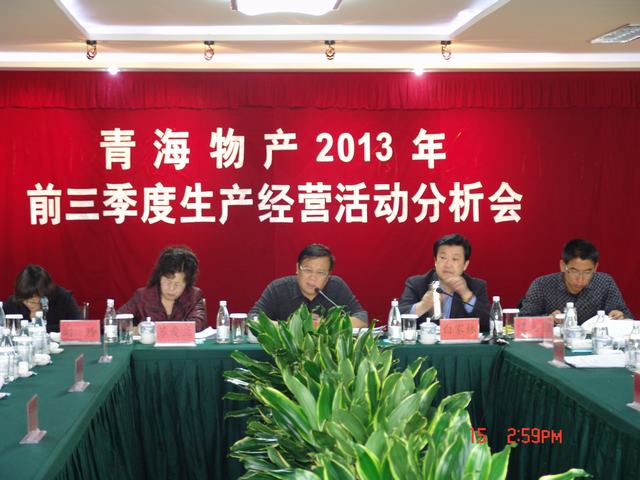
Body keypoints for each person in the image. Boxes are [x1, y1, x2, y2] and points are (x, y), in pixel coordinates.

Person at [249, 243, 368, 327]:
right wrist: (293, 325)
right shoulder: (278, 288)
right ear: (297, 268)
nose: (313, 277)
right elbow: (252, 319)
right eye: (307, 270)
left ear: (328, 275)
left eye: (321, 273)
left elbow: (362, 319)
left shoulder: (336, 286)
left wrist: (323, 324)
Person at [519, 239, 632, 323]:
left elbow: (627, 317)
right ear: (563, 266)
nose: (580, 279)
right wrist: (547, 320)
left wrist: (620, 316)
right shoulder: (542, 285)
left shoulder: (605, 283)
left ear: (595, 268)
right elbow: (521, 321)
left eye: (587, 272)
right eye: (574, 271)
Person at [399, 234, 490, 332]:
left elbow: (488, 324)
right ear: (435, 261)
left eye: (455, 259)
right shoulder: (417, 284)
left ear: (465, 265)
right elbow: (396, 321)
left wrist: (467, 296)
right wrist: (423, 305)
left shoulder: (476, 286)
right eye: (443, 257)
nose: (448, 265)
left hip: (461, 342)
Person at [118, 246, 206, 331]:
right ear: (159, 277)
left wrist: (152, 328)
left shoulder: (194, 296)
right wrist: (135, 330)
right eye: (167, 282)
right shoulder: (143, 296)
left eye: (177, 284)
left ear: (187, 283)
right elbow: (115, 321)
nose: (171, 288)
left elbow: (198, 325)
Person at [3, 264, 82, 332]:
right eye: (26, 299)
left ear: (46, 292)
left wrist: (42, 327)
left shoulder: (63, 297)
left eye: (34, 300)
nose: (30, 303)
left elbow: (80, 326)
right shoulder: (13, 302)